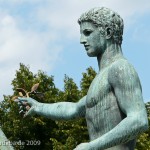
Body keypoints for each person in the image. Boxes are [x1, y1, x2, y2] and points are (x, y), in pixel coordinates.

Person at [16, 7, 148, 150]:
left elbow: (139, 120)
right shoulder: (103, 77)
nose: (82, 40)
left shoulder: (121, 68)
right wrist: (38, 107)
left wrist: (91, 146)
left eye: (88, 33)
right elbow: (73, 109)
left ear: (108, 32)